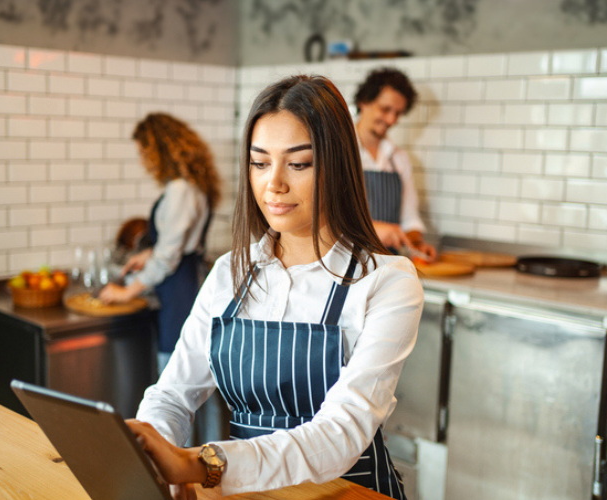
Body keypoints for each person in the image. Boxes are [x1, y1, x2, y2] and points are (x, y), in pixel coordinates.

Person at [125, 76, 424, 500]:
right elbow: (172, 395)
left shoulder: (386, 280)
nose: (274, 184)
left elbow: (339, 434)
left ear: (337, 167)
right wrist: (151, 452)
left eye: (298, 164)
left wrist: (201, 464)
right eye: (260, 163)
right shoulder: (230, 272)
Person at [99, 113, 221, 372]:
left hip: (179, 292)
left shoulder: (180, 190)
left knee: (175, 373)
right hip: (184, 284)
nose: (143, 161)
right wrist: (148, 254)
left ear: (159, 150)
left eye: (144, 152)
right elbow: (180, 242)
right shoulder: (191, 186)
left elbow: (169, 256)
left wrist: (127, 292)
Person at [354, 67, 437, 261]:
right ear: (364, 102)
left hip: (387, 264)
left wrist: (417, 245)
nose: (391, 119)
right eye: (385, 109)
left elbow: (410, 219)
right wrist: (372, 229)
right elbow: (323, 218)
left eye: (398, 113)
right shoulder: (337, 150)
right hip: (345, 264)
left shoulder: (399, 158)